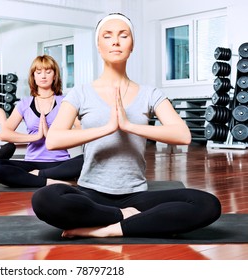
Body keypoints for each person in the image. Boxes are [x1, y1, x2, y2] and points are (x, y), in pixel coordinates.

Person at [31, 13, 221, 238]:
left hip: (136, 195)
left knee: (207, 204)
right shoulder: (80, 93)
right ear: (99, 46)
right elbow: (54, 140)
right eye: (108, 36)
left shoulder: (150, 93)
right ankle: (124, 216)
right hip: (90, 193)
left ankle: (110, 229)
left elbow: (183, 135)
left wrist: (129, 126)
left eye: (123, 35)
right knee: (45, 199)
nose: (115, 41)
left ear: (132, 46)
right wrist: (108, 128)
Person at [0, 55, 83, 188]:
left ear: (55, 75)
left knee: (91, 158)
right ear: (33, 76)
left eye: (48, 71)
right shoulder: (24, 104)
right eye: (38, 72)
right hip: (31, 163)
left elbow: (81, 130)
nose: (43, 76)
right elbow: (5, 133)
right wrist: (36, 137)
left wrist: (52, 135)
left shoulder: (65, 101)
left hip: (60, 163)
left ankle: (40, 175)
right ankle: (49, 181)